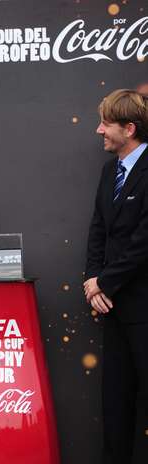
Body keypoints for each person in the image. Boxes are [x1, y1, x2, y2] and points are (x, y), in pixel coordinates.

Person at [84, 89, 148, 464]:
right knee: (115, 407)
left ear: (129, 128)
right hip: (113, 309)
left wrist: (105, 281)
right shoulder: (110, 171)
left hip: (142, 306)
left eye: (106, 124)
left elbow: (143, 240)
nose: (99, 131)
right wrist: (93, 281)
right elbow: (98, 231)